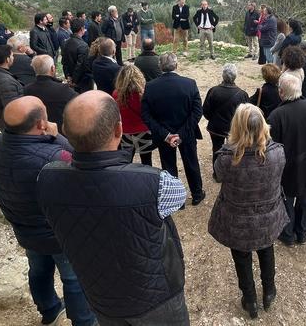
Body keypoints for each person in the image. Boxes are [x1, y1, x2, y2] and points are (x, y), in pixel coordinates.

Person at [36, 92, 190, 325]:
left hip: (100, 295)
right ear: (119, 130)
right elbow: (180, 197)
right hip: (155, 299)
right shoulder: (154, 183)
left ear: (65, 131)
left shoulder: (46, 179)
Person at [0, 97, 96, 326]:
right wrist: (59, 136)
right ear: (41, 124)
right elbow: (82, 166)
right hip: (59, 234)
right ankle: (84, 321)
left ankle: (50, 310)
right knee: (74, 278)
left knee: (38, 269)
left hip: (24, 228)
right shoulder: (52, 157)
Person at [208, 104, 288, 319]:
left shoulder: (227, 158)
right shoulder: (277, 152)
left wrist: (229, 145)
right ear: (263, 126)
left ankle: (250, 299)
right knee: (266, 248)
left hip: (238, 219)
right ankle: (269, 291)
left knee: (241, 256)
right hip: (268, 215)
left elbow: (217, 176)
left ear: (237, 127)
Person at [268, 74, 306, 246]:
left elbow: (271, 149)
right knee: (305, 198)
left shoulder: (276, 115)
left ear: (281, 92)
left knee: (286, 200)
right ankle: (302, 232)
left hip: (289, 168)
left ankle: (287, 234)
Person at [141, 52, 206, 205]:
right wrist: (181, 134)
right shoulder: (190, 84)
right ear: (176, 65)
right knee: (191, 163)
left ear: (160, 67)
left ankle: (177, 200)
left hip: (164, 135)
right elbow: (197, 112)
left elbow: (145, 115)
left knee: (168, 166)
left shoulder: (150, 87)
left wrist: (166, 135)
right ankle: (197, 194)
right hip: (187, 132)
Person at [203, 64, 249, 164]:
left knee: (216, 149)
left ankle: (217, 173)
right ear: (235, 76)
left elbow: (205, 111)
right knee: (233, 150)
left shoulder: (213, 91)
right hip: (234, 128)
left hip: (215, 128)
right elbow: (246, 115)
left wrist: (214, 119)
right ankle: (231, 172)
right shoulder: (242, 94)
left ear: (223, 75)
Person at [112, 65, 154, 166]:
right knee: (147, 160)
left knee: (126, 161)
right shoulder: (144, 94)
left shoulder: (116, 94)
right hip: (144, 131)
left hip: (125, 132)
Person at [25, 54, 78, 130]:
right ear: (53, 68)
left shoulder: (27, 89)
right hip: (60, 130)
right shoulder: (63, 89)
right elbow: (79, 103)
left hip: (38, 130)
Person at [62, 18, 88, 83]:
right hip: (81, 81)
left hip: (70, 78)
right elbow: (80, 65)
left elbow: (64, 62)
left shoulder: (66, 42)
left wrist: (68, 76)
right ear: (82, 29)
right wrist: (74, 80)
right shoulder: (83, 45)